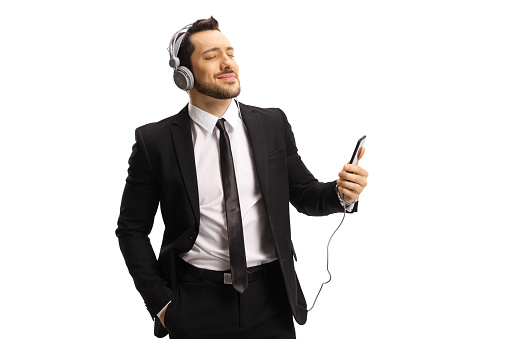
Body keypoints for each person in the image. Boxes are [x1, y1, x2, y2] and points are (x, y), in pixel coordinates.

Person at [116, 16, 368, 339]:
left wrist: (341, 194)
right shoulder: (156, 142)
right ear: (183, 75)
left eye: (230, 53)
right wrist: (162, 304)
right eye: (211, 56)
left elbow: (304, 194)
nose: (226, 63)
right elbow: (131, 229)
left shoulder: (272, 125)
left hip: (271, 299)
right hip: (195, 301)